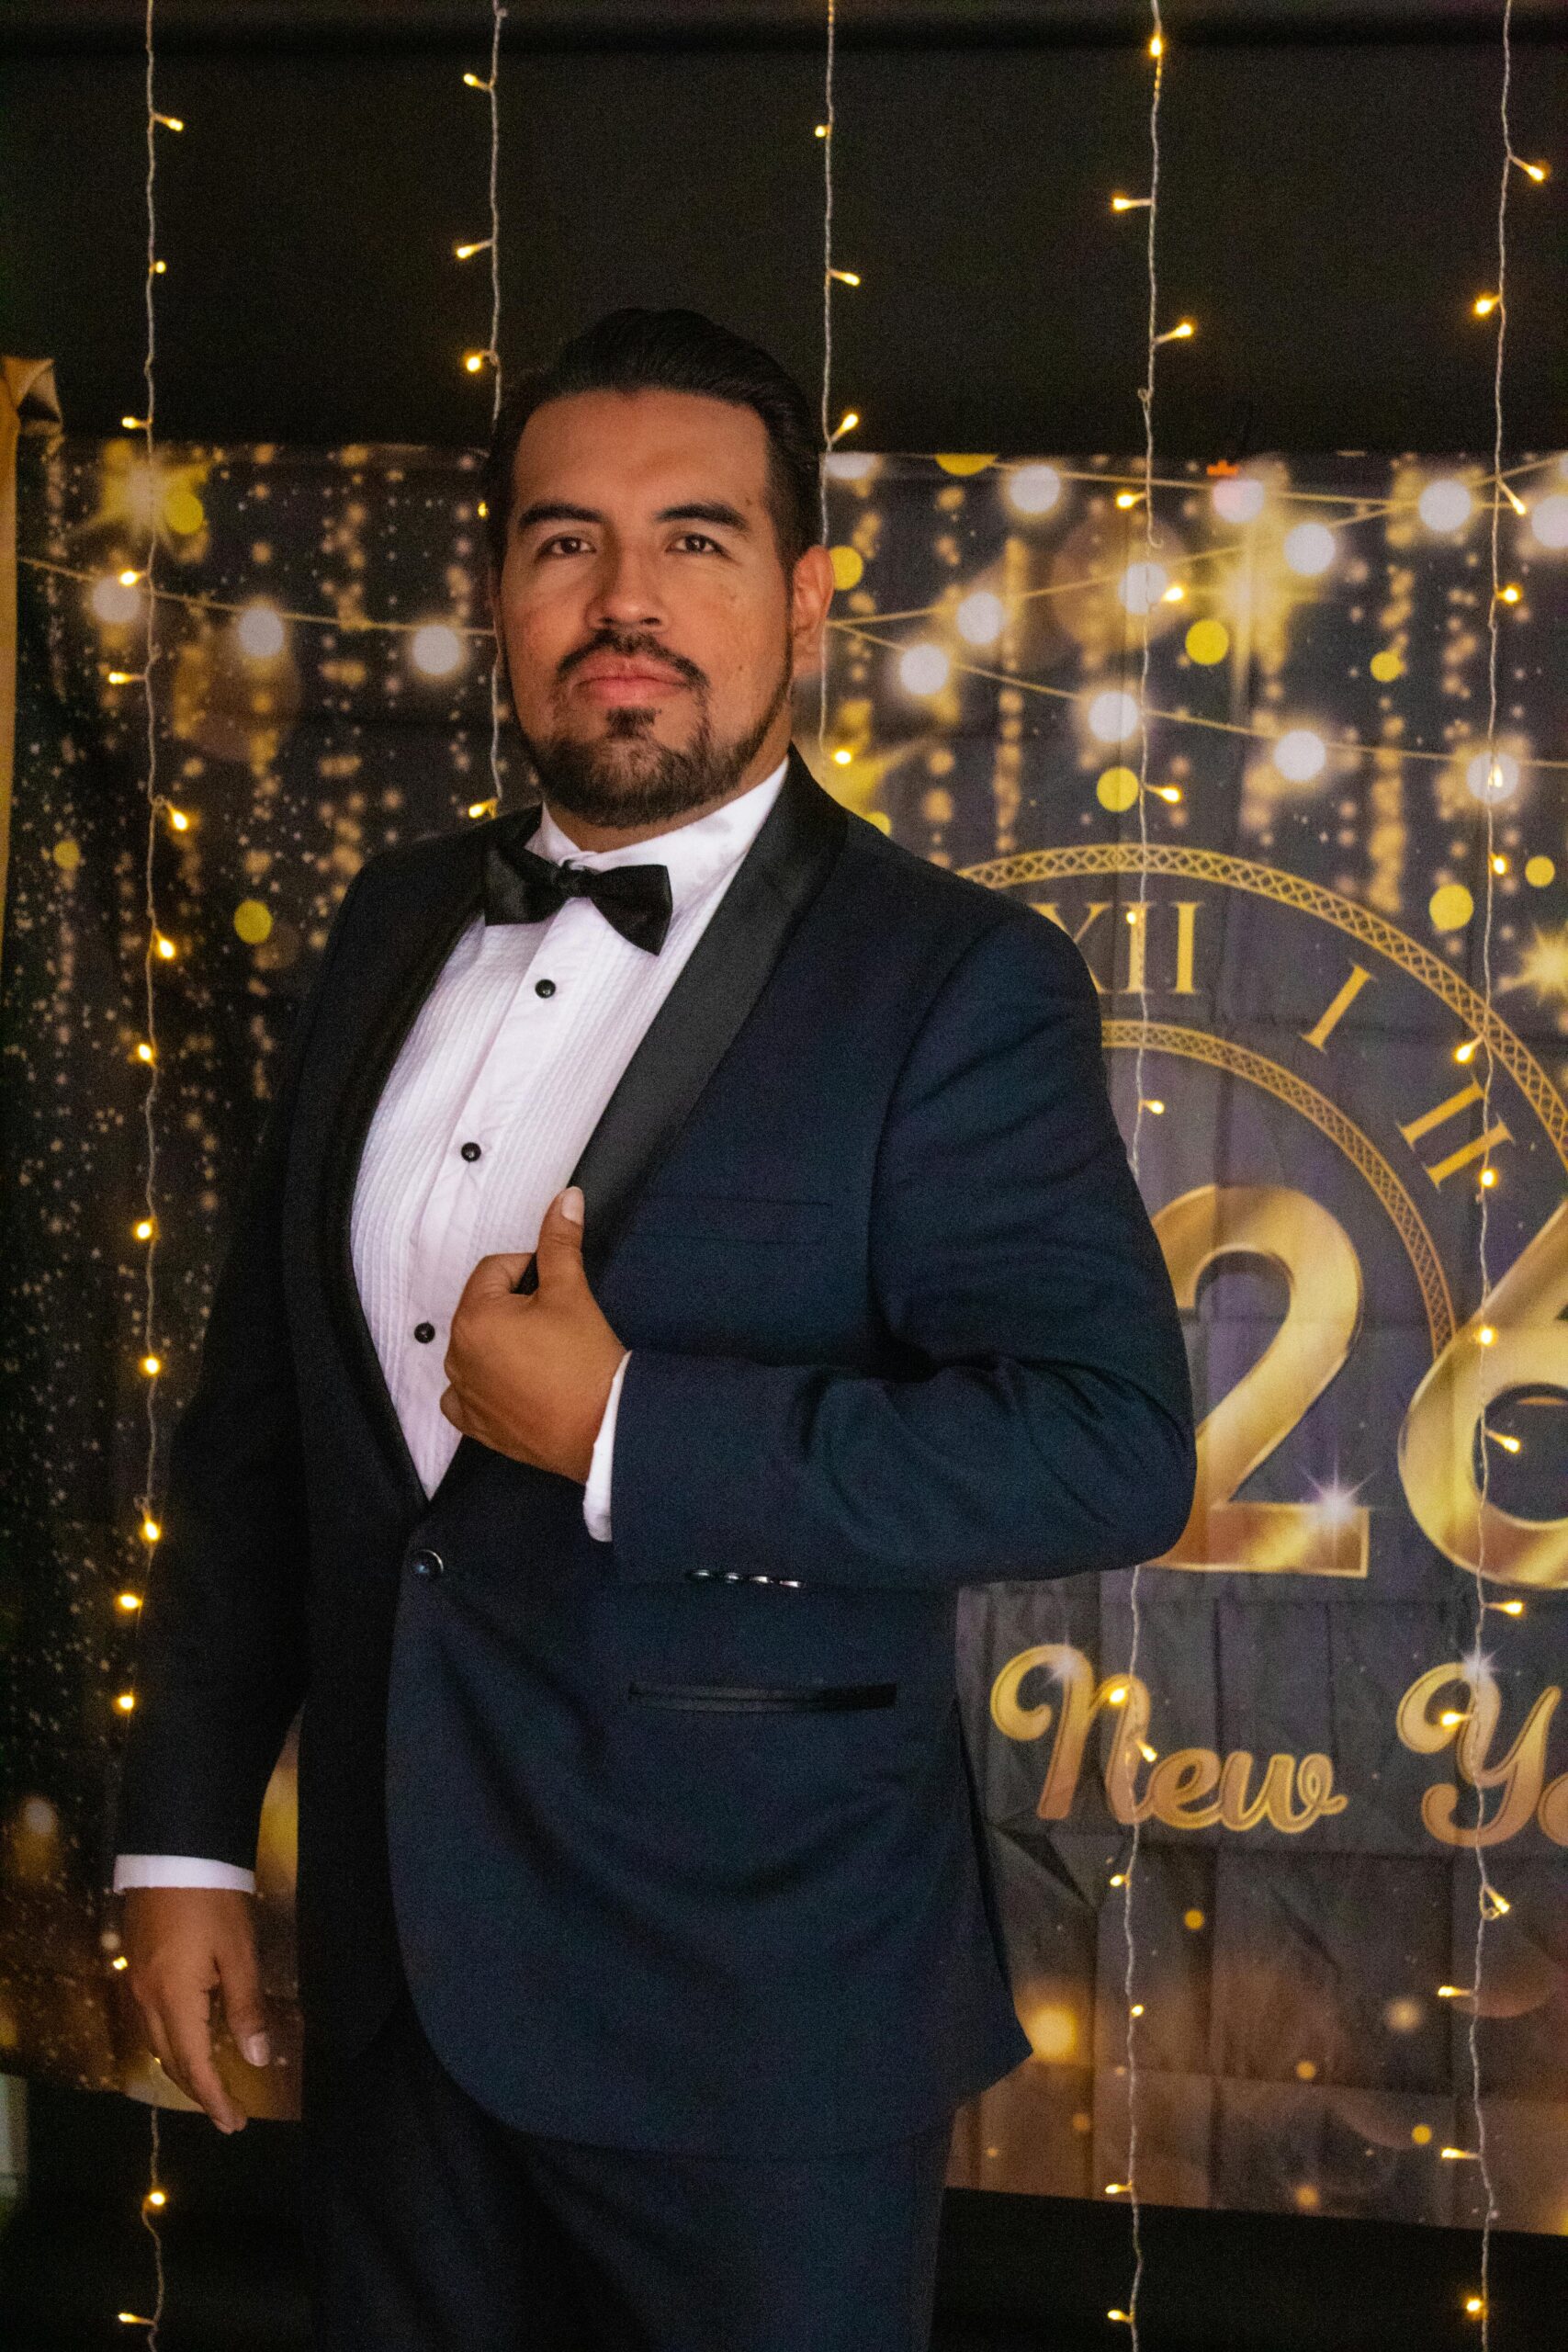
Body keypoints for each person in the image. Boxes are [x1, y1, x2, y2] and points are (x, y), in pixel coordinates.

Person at [112, 308, 1195, 2351]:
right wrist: (177, 1835)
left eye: (692, 541)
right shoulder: (386, 919)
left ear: (798, 596)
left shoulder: (952, 978)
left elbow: (1104, 1443)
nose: (623, 602)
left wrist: (627, 1424)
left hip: (752, 2012)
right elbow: (261, 1427)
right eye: (560, 544)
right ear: (501, 595)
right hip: (389, 1988)